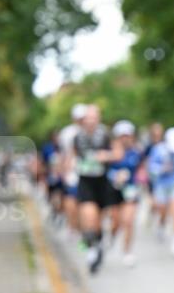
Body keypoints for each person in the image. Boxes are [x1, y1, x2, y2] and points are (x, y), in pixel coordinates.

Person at [74, 105, 117, 273]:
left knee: (98, 222)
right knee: (88, 217)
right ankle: (91, 250)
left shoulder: (106, 134)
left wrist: (106, 156)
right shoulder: (78, 136)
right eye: (88, 117)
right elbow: (71, 156)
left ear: (98, 118)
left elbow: (118, 153)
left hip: (102, 182)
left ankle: (98, 245)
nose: (90, 121)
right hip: (85, 181)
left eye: (94, 117)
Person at [106, 120, 143, 267]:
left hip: (130, 190)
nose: (125, 138)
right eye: (122, 136)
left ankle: (127, 251)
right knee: (116, 222)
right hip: (114, 191)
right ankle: (112, 236)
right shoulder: (110, 152)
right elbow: (104, 170)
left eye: (127, 135)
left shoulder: (136, 152)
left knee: (128, 221)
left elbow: (141, 168)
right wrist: (115, 176)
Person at [147, 127, 174, 258]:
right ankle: (161, 226)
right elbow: (151, 168)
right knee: (163, 211)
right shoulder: (158, 149)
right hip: (161, 184)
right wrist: (161, 169)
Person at [58, 104, 87, 238]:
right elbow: (64, 154)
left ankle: (82, 228)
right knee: (71, 200)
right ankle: (72, 226)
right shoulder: (67, 133)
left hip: (88, 171)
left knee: (84, 202)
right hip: (73, 172)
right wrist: (63, 169)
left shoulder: (93, 130)